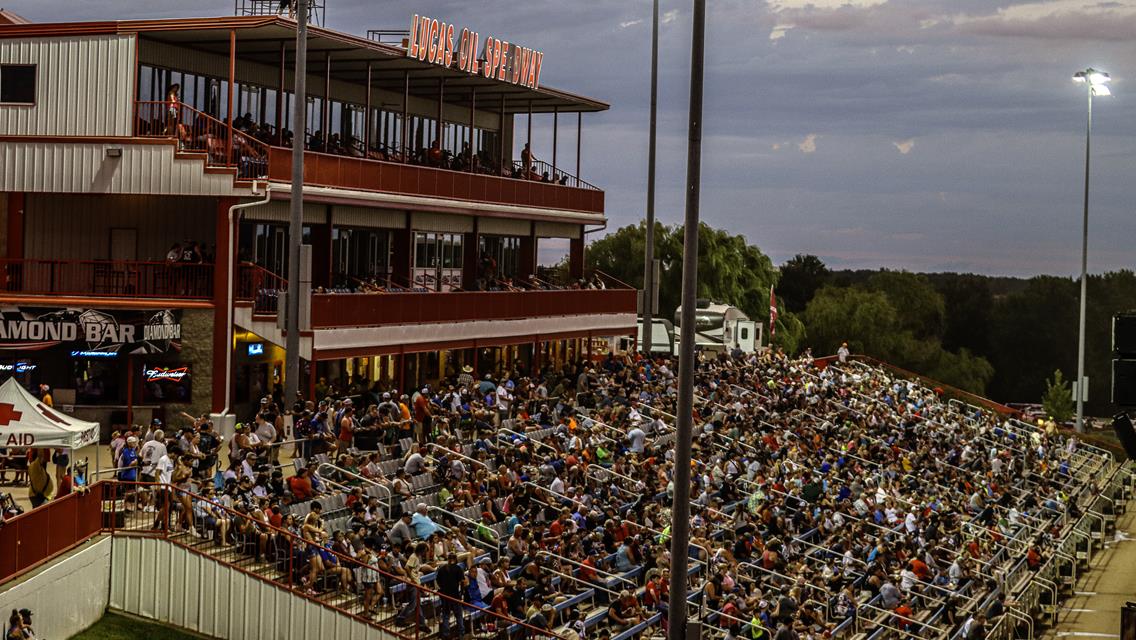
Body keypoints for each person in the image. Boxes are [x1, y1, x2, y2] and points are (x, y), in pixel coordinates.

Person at [435, 552, 466, 639]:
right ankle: (461, 634)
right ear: (455, 559)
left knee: (446, 615)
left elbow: (438, 581)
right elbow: (462, 582)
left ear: (448, 559)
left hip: (445, 596)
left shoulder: (442, 569)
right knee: (459, 615)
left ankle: (446, 634)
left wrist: (443, 588)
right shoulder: (458, 568)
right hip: (455, 595)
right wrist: (462, 593)